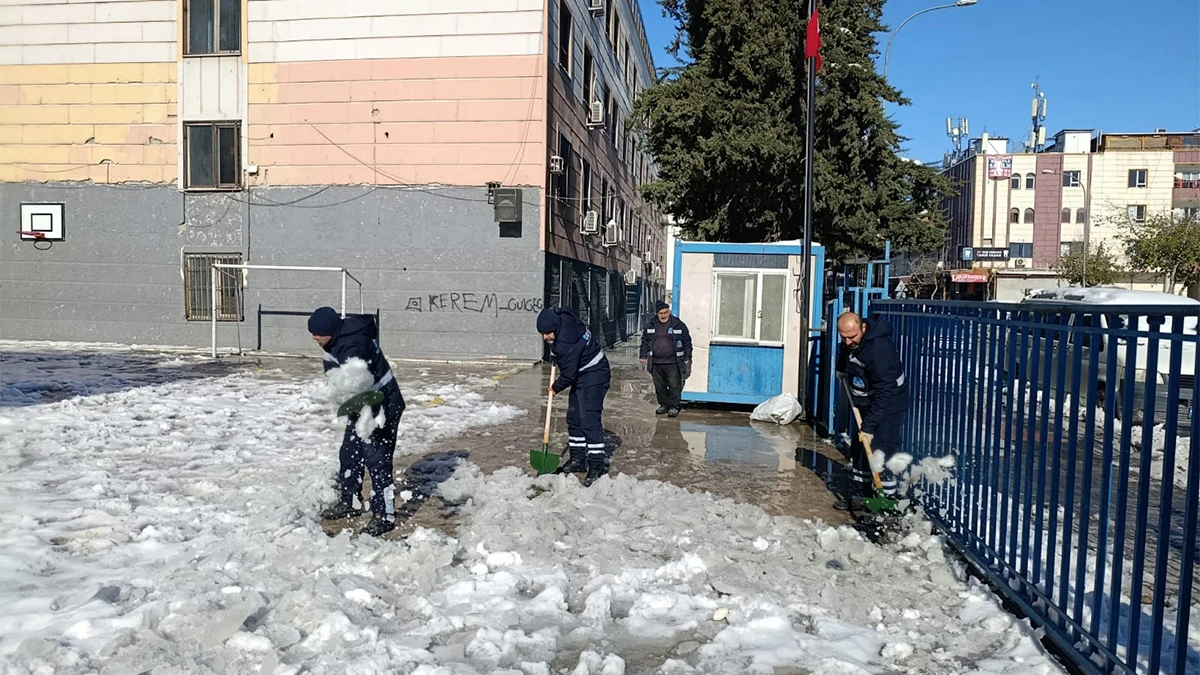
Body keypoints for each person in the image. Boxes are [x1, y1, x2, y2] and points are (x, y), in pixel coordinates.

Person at [309, 306, 406, 536]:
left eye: (317, 333)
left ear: (329, 332)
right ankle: (350, 502)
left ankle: (385, 514)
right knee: (349, 453)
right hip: (362, 404)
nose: (313, 337)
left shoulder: (353, 347)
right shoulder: (336, 341)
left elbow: (358, 380)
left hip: (383, 405)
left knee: (378, 461)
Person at [835, 311, 910, 499]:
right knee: (860, 449)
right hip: (867, 402)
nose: (847, 342)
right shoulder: (851, 341)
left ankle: (886, 500)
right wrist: (842, 369)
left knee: (881, 452)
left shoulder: (879, 350)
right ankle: (862, 495)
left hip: (889, 404)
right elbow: (846, 352)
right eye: (843, 337)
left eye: (852, 337)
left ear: (863, 328)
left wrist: (869, 426)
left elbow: (886, 392)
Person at [536, 307, 612, 486]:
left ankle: (596, 465)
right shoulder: (562, 318)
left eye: (547, 333)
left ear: (555, 329)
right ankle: (578, 460)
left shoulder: (567, 342)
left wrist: (554, 388)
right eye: (542, 333)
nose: (544, 337)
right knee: (574, 417)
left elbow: (568, 375)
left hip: (595, 374)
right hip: (582, 372)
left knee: (589, 419)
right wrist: (555, 353)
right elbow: (567, 310)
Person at [639, 301, 692, 417]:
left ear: (669, 312)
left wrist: (687, 356)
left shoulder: (678, 325)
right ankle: (664, 405)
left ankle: (674, 406)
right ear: (657, 314)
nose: (663, 316)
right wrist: (643, 355)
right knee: (659, 386)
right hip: (656, 363)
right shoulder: (651, 325)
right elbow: (645, 341)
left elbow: (687, 341)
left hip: (673, 362)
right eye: (661, 313)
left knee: (674, 385)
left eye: (666, 312)